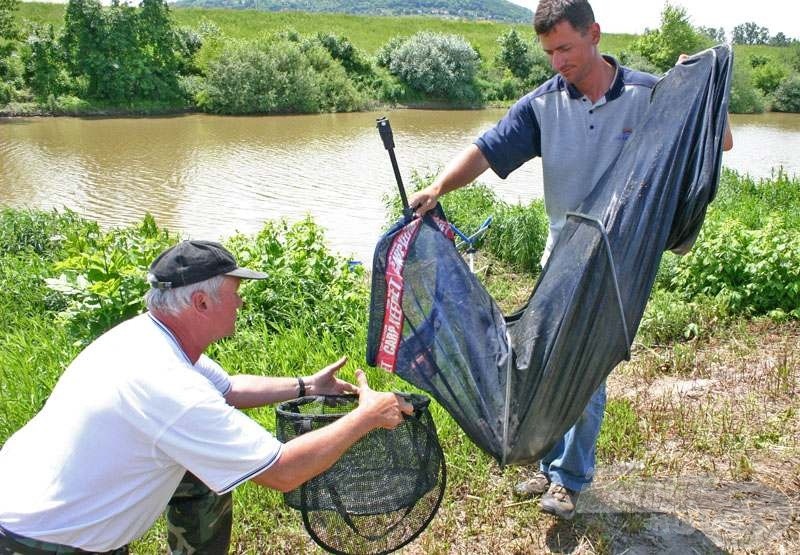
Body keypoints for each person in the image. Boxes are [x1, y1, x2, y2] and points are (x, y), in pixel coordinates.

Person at [408, 0, 732, 520]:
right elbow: (486, 150)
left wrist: (699, 90)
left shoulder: (650, 94)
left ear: (594, 35)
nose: (557, 61)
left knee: (585, 370)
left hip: (617, 267)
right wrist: (438, 185)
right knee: (544, 362)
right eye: (549, 52)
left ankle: (570, 479)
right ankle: (548, 463)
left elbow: (720, 142)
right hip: (559, 258)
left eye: (565, 48)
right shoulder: (542, 106)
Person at [0, 239, 413, 553]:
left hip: (30, 501)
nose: (241, 301)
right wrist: (367, 416)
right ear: (200, 302)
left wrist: (307, 385)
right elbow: (283, 471)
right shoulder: (170, 386)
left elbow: (229, 388)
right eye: (235, 292)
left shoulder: (145, 337)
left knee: (202, 470)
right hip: (44, 539)